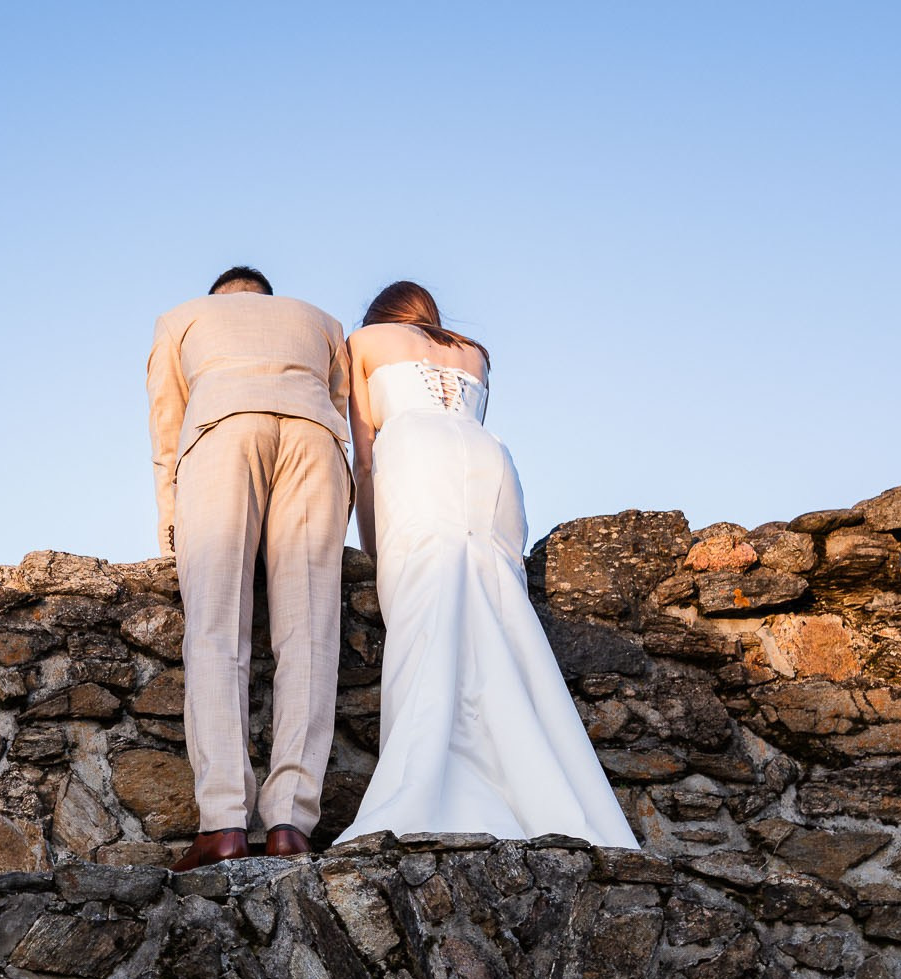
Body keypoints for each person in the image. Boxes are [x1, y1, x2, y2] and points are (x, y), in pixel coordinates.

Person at [335, 281, 637, 847]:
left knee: (425, 605)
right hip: (489, 462)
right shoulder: (475, 353)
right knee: (497, 609)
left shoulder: (364, 342)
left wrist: (373, 547)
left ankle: (428, 781)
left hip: (417, 457)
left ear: (381, 315)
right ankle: (535, 784)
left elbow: (365, 455)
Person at [145, 266, 352, 870]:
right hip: (314, 436)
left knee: (215, 631)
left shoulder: (182, 318)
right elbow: (339, 406)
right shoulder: (323, 322)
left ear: (221, 298)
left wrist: (172, 526)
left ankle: (224, 823)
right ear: (267, 298)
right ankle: (290, 822)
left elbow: (166, 427)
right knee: (310, 636)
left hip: (223, 429)